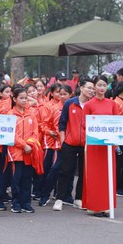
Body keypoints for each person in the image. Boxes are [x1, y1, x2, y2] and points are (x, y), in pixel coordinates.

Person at [53, 79, 95, 212]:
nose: (91, 90)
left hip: (86, 144)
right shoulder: (70, 103)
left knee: (84, 172)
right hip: (70, 143)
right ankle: (60, 198)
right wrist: (63, 141)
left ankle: (78, 198)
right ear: (81, 88)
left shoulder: (92, 105)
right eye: (88, 87)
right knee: (65, 171)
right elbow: (62, 124)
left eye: (92, 88)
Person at [82, 75, 120, 217]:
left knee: (108, 174)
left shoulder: (112, 104)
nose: (102, 88)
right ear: (94, 87)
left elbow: (117, 122)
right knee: (95, 174)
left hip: (108, 145)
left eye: (104, 85)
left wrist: (115, 140)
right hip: (94, 144)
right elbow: (85, 125)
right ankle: (95, 206)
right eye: (99, 85)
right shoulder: (89, 105)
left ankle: (107, 205)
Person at [7, 87, 41, 213]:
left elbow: (35, 132)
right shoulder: (10, 115)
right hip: (15, 152)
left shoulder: (31, 114)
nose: (24, 100)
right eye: (21, 98)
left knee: (27, 178)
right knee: (16, 178)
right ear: (14, 99)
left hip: (29, 152)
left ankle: (26, 203)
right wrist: (23, 145)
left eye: (25, 98)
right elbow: (11, 134)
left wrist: (30, 145)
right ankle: (16, 203)